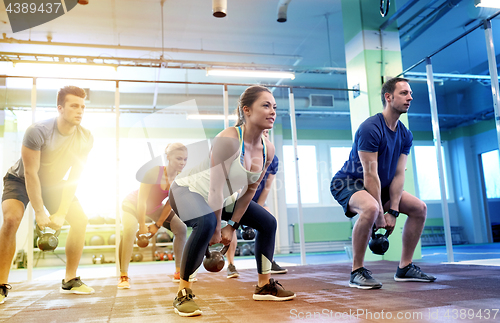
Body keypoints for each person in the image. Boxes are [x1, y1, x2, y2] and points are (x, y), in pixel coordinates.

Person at [169, 85, 295, 317]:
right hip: (187, 190)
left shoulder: (268, 149)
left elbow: (249, 192)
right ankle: (183, 293)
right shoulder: (228, 139)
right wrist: (217, 228)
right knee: (206, 223)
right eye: (265, 105)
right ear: (246, 110)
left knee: (268, 222)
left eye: (274, 107)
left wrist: (232, 226)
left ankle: (264, 285)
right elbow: (215, 187)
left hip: (222, 198)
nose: (273, 112)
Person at [330, 77, 436, 290]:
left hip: (382, 185)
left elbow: (398, 175)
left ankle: (405, 267)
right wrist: (379, 214)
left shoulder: (405, 134)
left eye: (410, 93)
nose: (410, 97)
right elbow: (371, 176)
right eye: (404, 93)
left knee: (419, 208)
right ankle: (357, 270)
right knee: (369, 207)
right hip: (349, 182)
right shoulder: (371, 128)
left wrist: (394, 212)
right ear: (388, 97)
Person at [0, 86, 94, 304]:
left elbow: (75, 177)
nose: (79, 111)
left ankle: (70, 280)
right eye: (74, 106)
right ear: (60, 108)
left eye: (82, 107)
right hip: (20, 180)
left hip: (54, 184)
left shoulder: (85, 137)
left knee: (80, 220)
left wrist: (61, 212)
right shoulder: (38, 131)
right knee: (11, 219)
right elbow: (31, 174)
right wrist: (40, 212)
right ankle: (1, 283)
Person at [118, 143, 189, 289]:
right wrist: (142, 225)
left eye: (185, 159)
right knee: (130, 229)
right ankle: (123, 275)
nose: (182, 162)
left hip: (154, 208)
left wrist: (157, 225)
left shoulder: (180, 180)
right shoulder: (153, 173)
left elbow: (170, 204)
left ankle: (178, 272)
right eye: (179, 158)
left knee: (181, 228)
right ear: (168, 157)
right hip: (133, 204)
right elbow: (141, 200)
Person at [226, 129, 287, 279]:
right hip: (236, 197)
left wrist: (257, 209)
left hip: (256, 198)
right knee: (230, 228)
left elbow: (266, 187)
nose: (265, 134)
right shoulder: (242, 153)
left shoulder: (272, 157)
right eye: (262, 132)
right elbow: (239, 186)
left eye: (267, 132)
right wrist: (241, 218)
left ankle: (268, 261)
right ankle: (230, 265)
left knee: (269, 220)